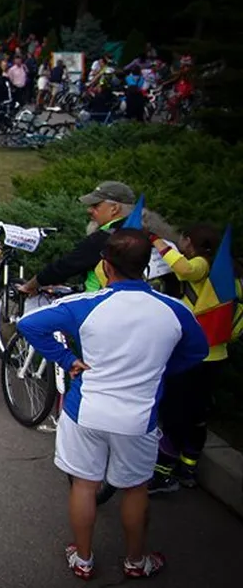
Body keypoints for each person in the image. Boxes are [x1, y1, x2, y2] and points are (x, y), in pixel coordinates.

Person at [16, 230, 208, 580]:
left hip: (85, 411)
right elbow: (198, 351)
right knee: (135, 489)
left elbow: (29, 324)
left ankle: (83, 559)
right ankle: (136, 561)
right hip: (139, 418)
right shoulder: (175, 310)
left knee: (84, 484)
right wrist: (159, 369)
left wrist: (66, 359)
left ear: (105, 266)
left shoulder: (85, 304)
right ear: (146, 268)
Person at [148, 225, 242, 492]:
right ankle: (188, 468)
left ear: (190, 242)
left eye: (183, 241)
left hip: (193, 355)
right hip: (217, 354)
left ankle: (163, 474)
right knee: (197, 415)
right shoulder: (231, 273)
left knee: (176, 414)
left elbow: (185, 269)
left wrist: (156, 241)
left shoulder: (202, 264)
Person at [17, 181, 173, 295]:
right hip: (148, 305)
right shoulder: (151, 232)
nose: (89, 210)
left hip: (101, 305)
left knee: (35, 325)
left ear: (114, 208)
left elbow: (65, 266)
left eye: (96, 205)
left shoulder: (108, 238)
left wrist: (30, 285)